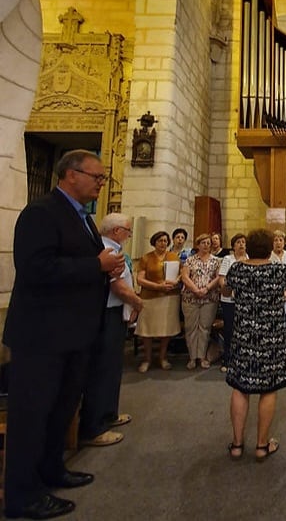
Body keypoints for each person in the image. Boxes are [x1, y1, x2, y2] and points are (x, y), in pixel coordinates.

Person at [3, 149, 124, 519]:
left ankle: (52, 470)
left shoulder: (85, 218)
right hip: (42, 336)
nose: (101, 183)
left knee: (60, 411)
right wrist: (96, 264)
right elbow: (35, 268)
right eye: (97, 177)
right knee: (32, 416)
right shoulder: (41, 213)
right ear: (71, 175)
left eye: (103, 178)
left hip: (74, 334)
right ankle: (22, 496)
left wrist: (104, 269)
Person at [225, 229, 286, 461]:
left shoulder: (237, 268)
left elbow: (225, 288)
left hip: (243, 335)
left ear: (249, 248)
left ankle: (236, 444)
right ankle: (262, 446)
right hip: (271, 337)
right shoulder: (278, 270)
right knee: (268, 388)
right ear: (270, 249)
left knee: (240, 387)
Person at [80, 213, 143, 447]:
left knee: (112, 367)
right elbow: (117, 285)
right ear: (116, 231)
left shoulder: (113, 248)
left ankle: (108, 414)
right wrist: (137, 301)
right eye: (128, 230)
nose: (129, 234)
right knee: (102, 369)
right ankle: (94, 427)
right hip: (106, 314)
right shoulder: (107, 251)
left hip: (115, 314)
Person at [134, 231, 181, 372]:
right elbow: (140, 279)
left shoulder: (174, 256)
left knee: (166, 329)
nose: (163, 243)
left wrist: (175, 282)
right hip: (150, 297)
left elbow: (182, 273)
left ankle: (163, 357)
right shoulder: (146, 258)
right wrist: (158, 286)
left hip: (169, 297)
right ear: (154, 242)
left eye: (166, 241)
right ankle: (147, 359)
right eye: (160, 240)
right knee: (147, 329)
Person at [181, 233, 220, 370]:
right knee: (191, 328)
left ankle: (202, 356)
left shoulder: (216, 261)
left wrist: (206, 288)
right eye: (203, 243)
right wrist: (195, 289)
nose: (206, 245)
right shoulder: (190, 260)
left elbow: (218, 278)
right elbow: (185, 276)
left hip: (209, 298)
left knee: (204, 328)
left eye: (208, 243)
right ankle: (192, 357)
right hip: (191, 297)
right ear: (198, 245)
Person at [218, 233, 249, 372]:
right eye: (238, 242)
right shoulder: (227, 259)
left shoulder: (250, 259)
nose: (241, 244)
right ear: (233, 246)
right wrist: (231, 291)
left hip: (246, 301)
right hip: (229, 300)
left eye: (243, 242)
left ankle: (243, 359)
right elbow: (222, 279)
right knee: (230, 329)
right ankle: (227, 359)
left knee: (245, 330)